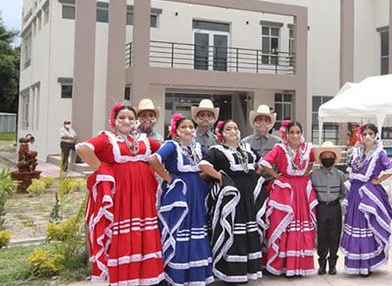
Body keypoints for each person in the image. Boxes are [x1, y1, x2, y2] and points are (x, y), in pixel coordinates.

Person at [75, 103, 164, 285]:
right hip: (122, 195)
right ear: (114, 121)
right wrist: (102, 169)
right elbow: (82, 148)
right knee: (122, 233)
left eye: (131, 118)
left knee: (142, 231)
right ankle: (123, 279)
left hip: (144, 195)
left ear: (136, 121)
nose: (126, 121)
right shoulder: (107, 138)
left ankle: (144, 278)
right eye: (122, 117)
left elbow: (165, 149)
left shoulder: (144, 139)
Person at [147, 113, 214, 285]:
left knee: (197, 229)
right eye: (183, 127)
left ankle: (194, 275)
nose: (188, 130)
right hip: (180, 192)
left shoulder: (198, 148)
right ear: (175, 131)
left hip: (197, 192)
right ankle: (176, 274)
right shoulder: (171, 145)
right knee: (177, 228)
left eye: (191, 127)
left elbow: (211, 164)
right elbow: (153, 159)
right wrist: (168, 178)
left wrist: (206, 175)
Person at [203, 120, 267, 283]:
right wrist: (221, 178)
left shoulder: (247, 148)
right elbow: (203, 166)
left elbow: (260, 164)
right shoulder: (216, 150)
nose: (233, 131)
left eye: (236, 128)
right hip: (231, 197)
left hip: (247, 197)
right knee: (231, 230)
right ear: (221, 134)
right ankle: (230, 274)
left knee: (248, 231)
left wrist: (256, 179)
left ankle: (247, 272)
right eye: (228, 129)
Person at [259, 120, 318, 276]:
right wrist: (276, 176)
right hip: (286, 190)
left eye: (298, 132)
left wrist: (305, 174)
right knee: (284, 224)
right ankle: (283, 265)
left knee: (301, 226)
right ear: (286, 134)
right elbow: (264, 162)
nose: (295, 135)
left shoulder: (307, 148)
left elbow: (312, 161)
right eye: (292, 132)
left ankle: (299, 266)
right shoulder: (280, 148)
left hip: (302, 189)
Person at [340, 123, 392, 276]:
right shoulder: (357, 151)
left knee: (367, 225)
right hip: (355, 193)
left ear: (376, 135)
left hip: (368, 194)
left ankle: (366, 264)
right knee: (355, 225)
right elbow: (351, 170)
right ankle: (356, 263)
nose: (368, 137)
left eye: (371, 133)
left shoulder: (379, 153)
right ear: (361, 137)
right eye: (365, 134)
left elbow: (390, 169)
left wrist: (378, 180)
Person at [310, 141, 348, 276]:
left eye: (330, 155)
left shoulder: (340, 175)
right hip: (320, 208)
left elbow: (346, 192)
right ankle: (321, 264)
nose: (328, 158)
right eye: (325, 155)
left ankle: (332, 265)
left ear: (334, 158)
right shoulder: (313, 175)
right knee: (321, 236)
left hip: (334, 207)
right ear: (320, 158)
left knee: (334, 235)